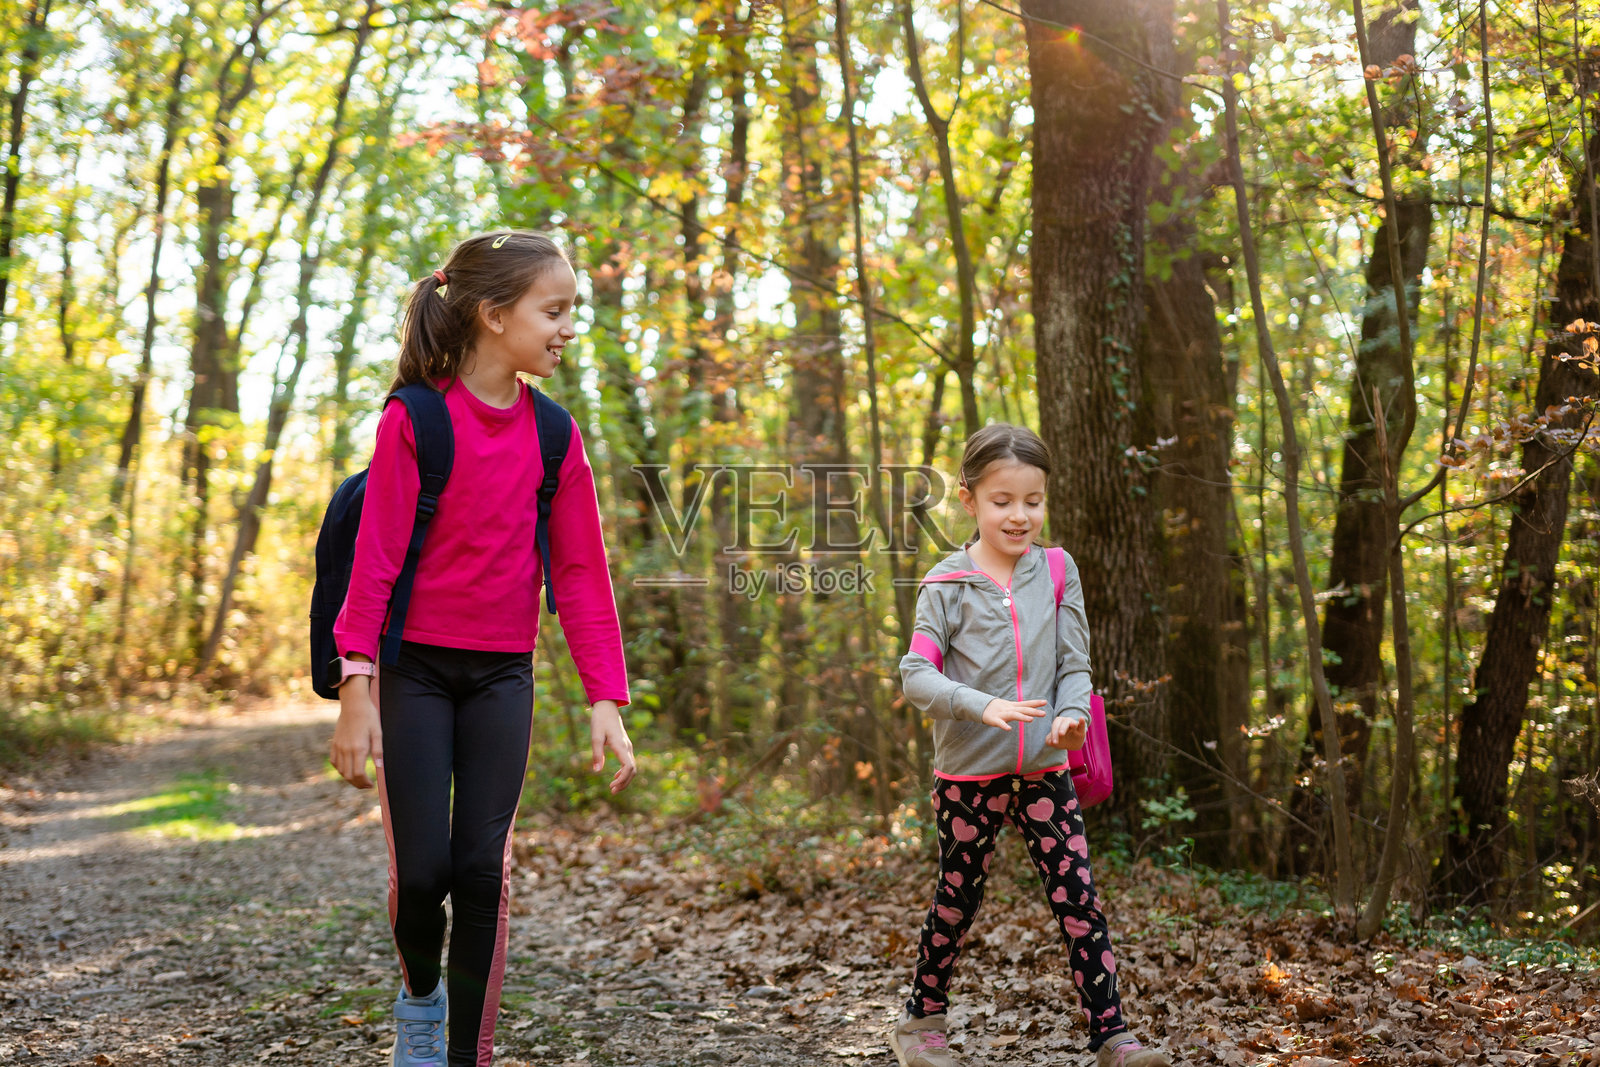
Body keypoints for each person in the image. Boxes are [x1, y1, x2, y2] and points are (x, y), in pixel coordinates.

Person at [327, 231, 637, 1067]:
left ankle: (467, 1053)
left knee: (482, 872)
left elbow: (579, 573)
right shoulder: (416, 418)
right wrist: (358, 687)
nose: (569, 327)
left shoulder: (555, 436)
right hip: (414, 671)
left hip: (503, 675)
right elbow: (377, 559)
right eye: (555, 309)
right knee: (423, 873)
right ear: (495, 316)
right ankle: (421, 1001)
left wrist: (605, 699)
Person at [892, 424, 1170, 1067]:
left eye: (1033, 500)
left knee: (1079, 898)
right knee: (957, 898)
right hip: (969, 776)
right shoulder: (944, 583)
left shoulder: (1057, 569)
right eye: (1002, 501)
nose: (1020, 516)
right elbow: (917, 674)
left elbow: (1075, 664)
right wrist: (982, 704)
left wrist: (1072, 716)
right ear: (968, 500)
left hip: (1045, 769)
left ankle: (1113, 1037)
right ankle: (919, 1021)